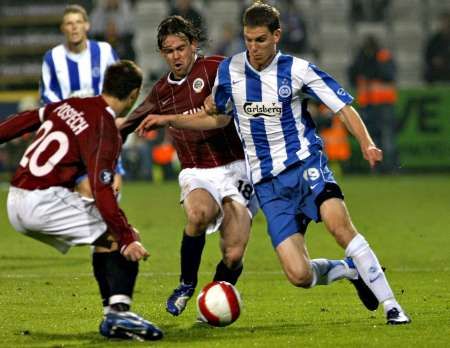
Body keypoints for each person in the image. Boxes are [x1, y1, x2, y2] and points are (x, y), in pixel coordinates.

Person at [137, 2, 411, 325]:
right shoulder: (230, 71)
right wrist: (172, 120)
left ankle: (392, 307)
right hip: (268, 185)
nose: (253, 48)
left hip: (305, 165)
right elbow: (218, 118)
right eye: (248, 40)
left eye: (260, 40)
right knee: (299, 274)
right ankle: (349, 270)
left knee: (339, 225)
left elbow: (342, 106)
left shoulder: (298, 70)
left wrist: (366, 142)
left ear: (276, 36)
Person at [0, 60, 163, 341]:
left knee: (104, 239)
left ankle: (114, 313)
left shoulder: (71, 105)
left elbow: (25, 120)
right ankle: (118, 314)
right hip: (43, 201)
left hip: (16, 197)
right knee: (120, 236)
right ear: (134, 94)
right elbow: (102, 191)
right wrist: (128, 238)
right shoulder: (106, 127)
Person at [120, 16, 258, 317]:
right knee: (198, 215)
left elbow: (254, 70)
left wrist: (226, 91)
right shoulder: (161, 92)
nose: (176, 56)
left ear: (193, 45)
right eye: (169, 51)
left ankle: (212, 302)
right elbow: (128, 123)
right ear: (161, 53)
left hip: (237, 167)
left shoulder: (217, 69)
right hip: (197, 170)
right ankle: (186, 284)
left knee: (233, 254)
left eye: (181, 48)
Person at [40, 4, 124, 198]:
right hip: (72, 138)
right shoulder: (52, 57)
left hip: (104, 134)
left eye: (78, 22)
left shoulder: (104, 52)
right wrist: (71, 109)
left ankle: (109, 226)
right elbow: (47, 95)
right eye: (69, 23)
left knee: (111, 194)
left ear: (87, 25)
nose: (74, 27)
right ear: (63, 28)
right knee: (86, 194)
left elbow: (121, 84)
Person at [348, 34, 398, 173]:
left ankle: (390, 167)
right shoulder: (361, 58)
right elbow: (352, 74)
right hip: (367, 103)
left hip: (383, 103)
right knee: (371, 138)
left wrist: (370, 65)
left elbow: (388, 75)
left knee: (386, 137)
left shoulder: (383, 56)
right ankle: (376, 167)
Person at [424, 12, 450, 84]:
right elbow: (428, 56)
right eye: (444, 22)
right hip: (436, 72)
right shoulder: (434, 40)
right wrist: (434, 61)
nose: (446, 25)